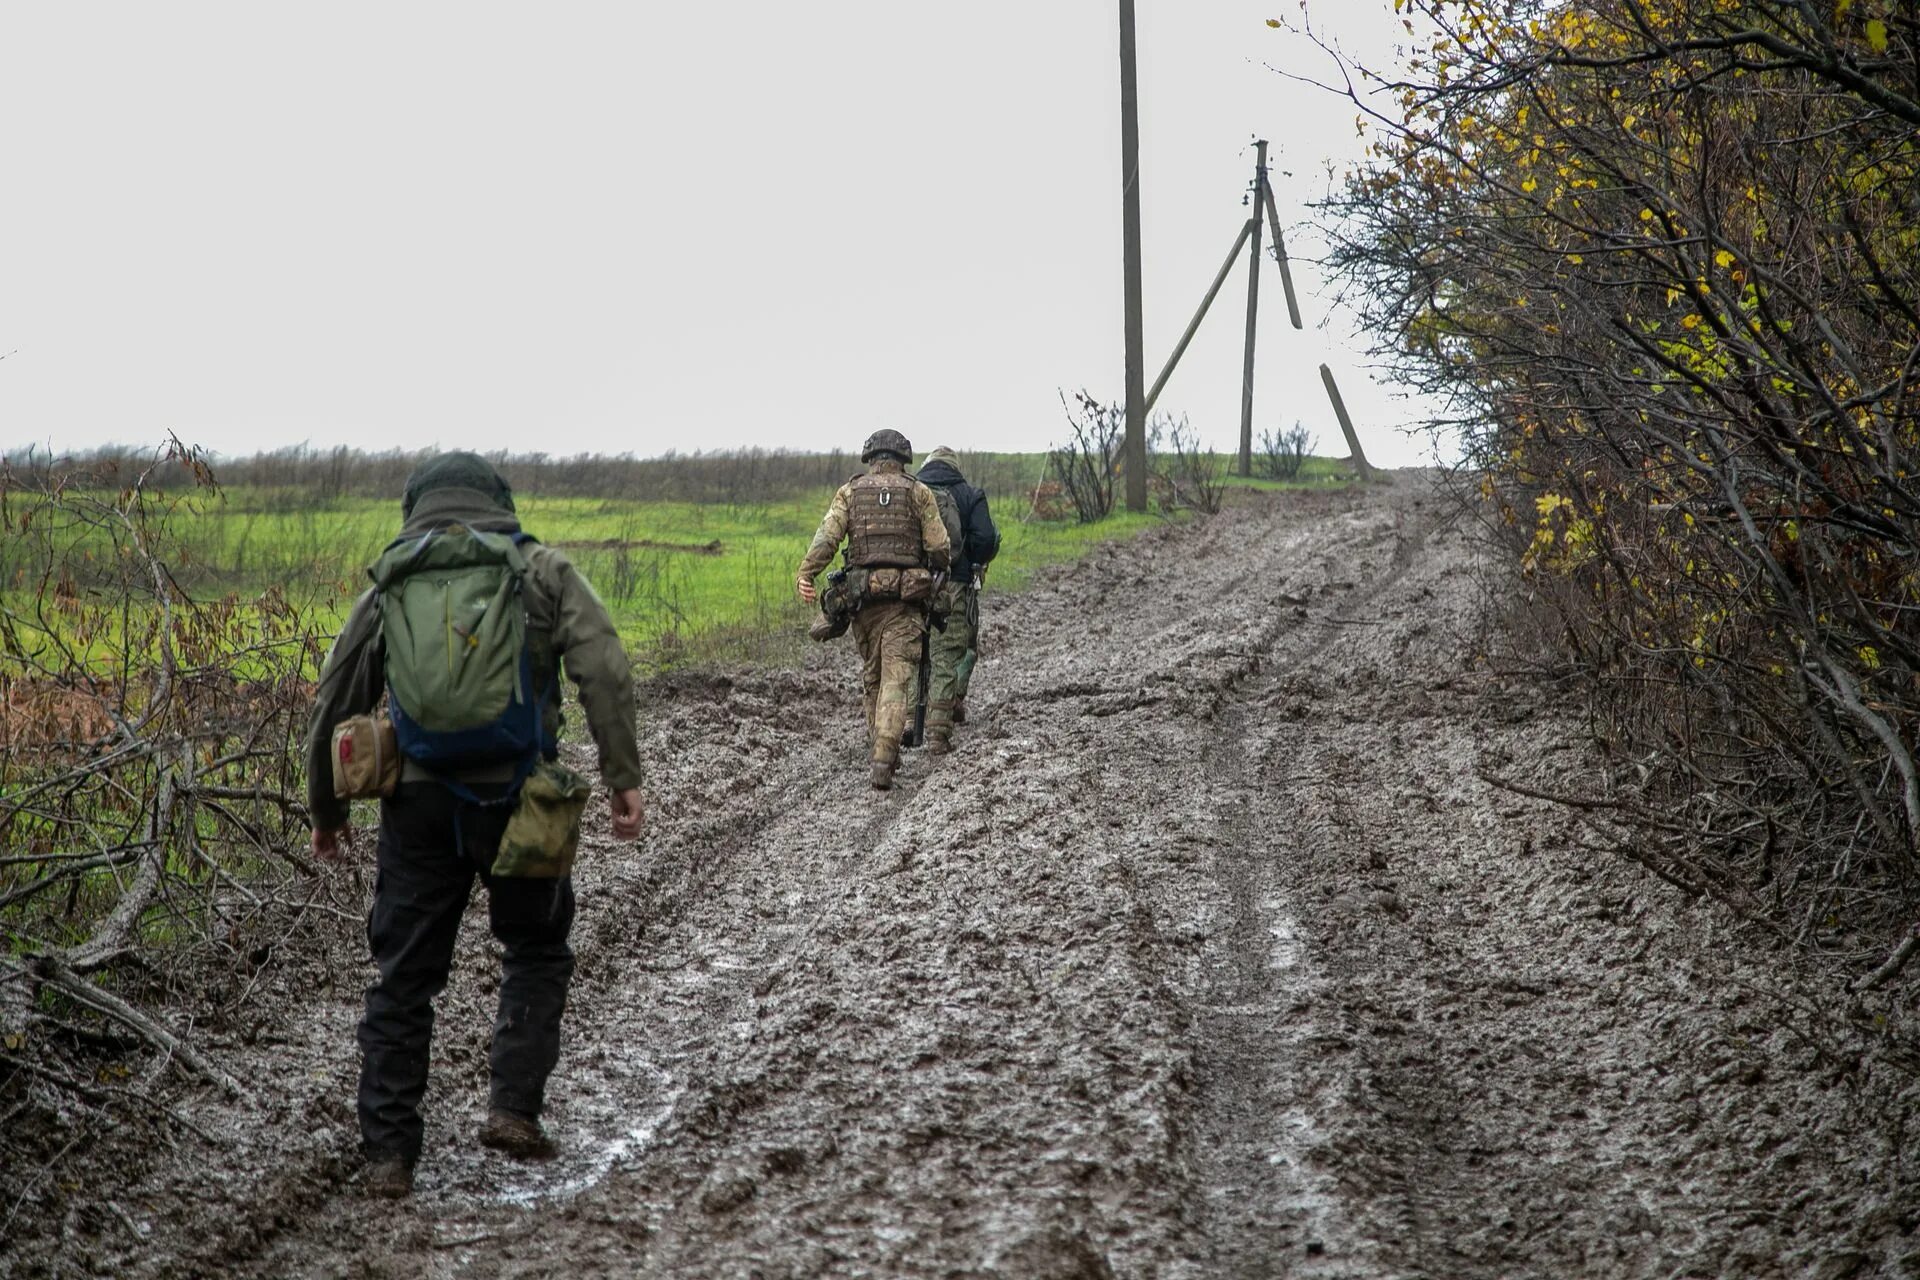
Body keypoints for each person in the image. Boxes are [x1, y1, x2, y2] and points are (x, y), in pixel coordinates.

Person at [304, 452, 644, 1200]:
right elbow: (605, 669)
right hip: (525, 798)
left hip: (418, 808)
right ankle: (513, 1111)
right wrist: (623, 778)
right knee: (536, 948)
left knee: (404, 980)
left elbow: (335, 703)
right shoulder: (541, 570)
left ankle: (390, 1155)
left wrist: (327, 812)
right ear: (499, 500)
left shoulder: (392, 581)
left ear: (416, 505)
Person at [796, 429, 950, 790]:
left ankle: (880, 749)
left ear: (870, 459)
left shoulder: (850, 492)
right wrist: (933, 566)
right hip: (905, 604)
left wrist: (806, 572)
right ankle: (884, 754)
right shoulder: (918, 492)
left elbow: (827, 538)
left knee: (874, 678)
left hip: (863, 602)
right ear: (903, 460)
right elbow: (940, 546)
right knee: (897, 679)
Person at [913, 446, 1000, 753]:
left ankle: (911, 721)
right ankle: (938, 731)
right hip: (953, 582)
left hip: (910, 584)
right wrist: (972, 562)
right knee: (948, 654)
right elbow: (986, 539)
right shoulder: (969, 494)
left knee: (912, 651)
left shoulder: (912, 490)